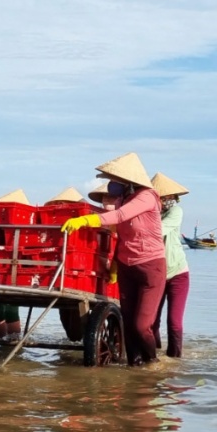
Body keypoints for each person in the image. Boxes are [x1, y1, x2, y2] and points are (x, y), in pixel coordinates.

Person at [61, 152, 166, 366]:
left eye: (116, 181)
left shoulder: (147, 196)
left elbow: (119, 217)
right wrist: (116, 265)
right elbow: (120, 231)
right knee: (128, 323)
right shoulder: (122, 199)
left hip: (151, 266)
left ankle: (153, 364)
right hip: (127, 265)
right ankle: (134, 364)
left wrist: (87, 220)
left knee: (141, 325)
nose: (112, 185)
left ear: (129, 182)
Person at [149, 172, 190, 358]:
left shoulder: (175, 212)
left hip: (177, 273)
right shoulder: (149, 213)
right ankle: (154, 353)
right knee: (151, 322)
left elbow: (160, 230)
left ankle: (175, 359)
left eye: (170, 197)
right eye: (163, 197)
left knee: (174, 322)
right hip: (156, 274)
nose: (168, 200)